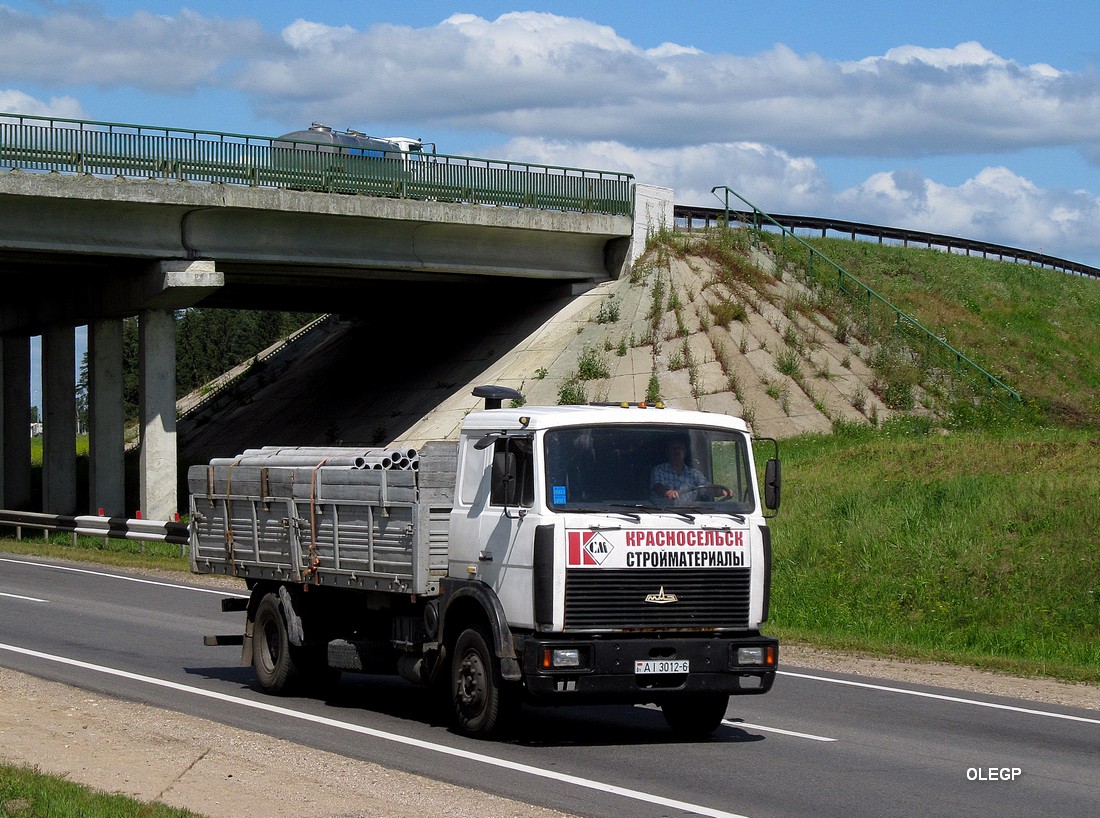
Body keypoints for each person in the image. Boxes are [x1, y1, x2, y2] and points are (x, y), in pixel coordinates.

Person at [651, 438, 723, 502]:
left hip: (692, 513)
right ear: (668, 452)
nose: (677, 451)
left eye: (680, 448)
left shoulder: (694, 474)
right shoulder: (659, 469)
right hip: (663, 513)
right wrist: (668, 492)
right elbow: (658, 487)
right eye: (673, 448)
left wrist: (721, 491)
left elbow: (707, 488)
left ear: (685, 451)